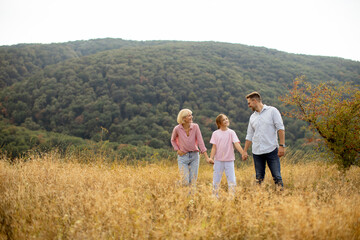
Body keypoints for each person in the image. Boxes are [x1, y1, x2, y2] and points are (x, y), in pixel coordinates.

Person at [242, 92, 285, 189]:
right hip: (257, 152)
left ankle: (282, 198)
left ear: (255, 101)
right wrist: (244, 151)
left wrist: (282, 145)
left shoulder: (272, 111)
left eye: (249, 103)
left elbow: (280, 128)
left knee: (277, 177)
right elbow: (249, 135)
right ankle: (260, 199)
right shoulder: (252, 117)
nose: (248, 105)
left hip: (271, 150)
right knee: (259, 179)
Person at [171, 109, 213, 187]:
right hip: (183, 157)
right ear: (183, 118)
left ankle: (191, 198)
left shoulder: (195, 126)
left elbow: (201, 142)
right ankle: (178, 186)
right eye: (189, 115)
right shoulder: (177, 128)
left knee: (193, 182)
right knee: (185, 182)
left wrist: (207, 158)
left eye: (191, 115)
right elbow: (173, 140)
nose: (191, 117)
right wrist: (177, 150)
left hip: (194, 156)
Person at [209, 114, 245, 197]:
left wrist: (243, 153)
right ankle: (215, 197)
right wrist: (211, 158)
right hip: (218, 160)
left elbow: (236, 144)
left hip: (229, 160)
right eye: (223, 120)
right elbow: (214, 147)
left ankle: (232, 198)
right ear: (219, 123)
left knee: (232, 180)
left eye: (226, 119)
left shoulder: (231, 132)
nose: (226, 121)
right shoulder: (215, 133)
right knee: (216, 180)